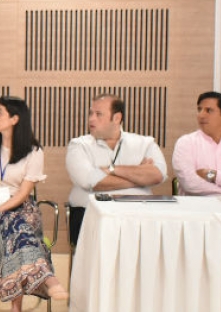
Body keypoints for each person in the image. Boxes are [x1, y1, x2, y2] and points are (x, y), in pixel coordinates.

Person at [0, 96, 68, 312]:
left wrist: (1, 208)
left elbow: (23, 193)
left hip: (19, 206)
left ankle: (16, 309)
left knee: (11, 232)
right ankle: (47, 278)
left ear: (15, 119)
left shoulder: (33, 151)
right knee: (18, 228)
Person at [65, 94, 167, 246]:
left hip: (138, 215)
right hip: (90, 215)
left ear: (117, 118)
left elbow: (158, 174)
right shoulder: (79, 145)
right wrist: (139, 178)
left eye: (98, 114)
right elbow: (90, 181)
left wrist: (112, 169)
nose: (91, 119)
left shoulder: (145, 143)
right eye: (90, 113)